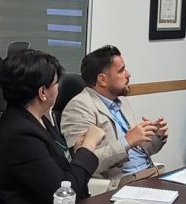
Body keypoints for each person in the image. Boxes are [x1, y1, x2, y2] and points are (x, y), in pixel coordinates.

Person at [0, 49, 105, 204]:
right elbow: (64, 194)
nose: (59, 88)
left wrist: (77, 150)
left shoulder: (38, 119)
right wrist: (88, 147)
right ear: (42, 92)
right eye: (56, 83)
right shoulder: (20, 135)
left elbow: (55, 167)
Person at [60, 45, 168, 189]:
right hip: (122, 183)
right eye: (121, 70)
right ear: (102, 80)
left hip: (151, 173)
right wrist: (127, 141)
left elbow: (138, 151)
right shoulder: (79, 107)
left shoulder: (121, 101)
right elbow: (83, 163)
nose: (128, 74)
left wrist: (156, 136)